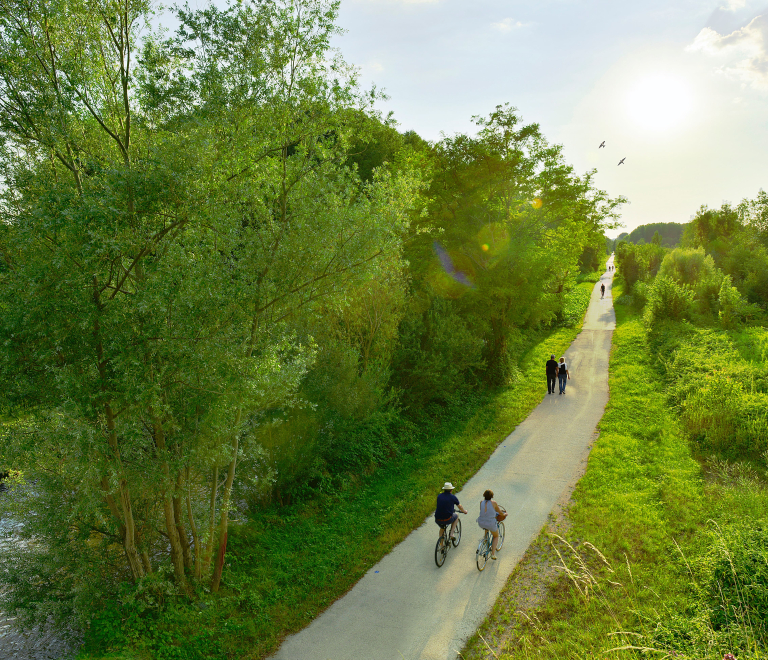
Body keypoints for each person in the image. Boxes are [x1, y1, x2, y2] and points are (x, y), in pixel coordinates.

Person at [476, 489, 505, 560]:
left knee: (486, 526)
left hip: (481, 522)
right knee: (496, 536)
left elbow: (484, 512)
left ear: (484, 495)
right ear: (492, 496)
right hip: (490, 523)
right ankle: (493, 554)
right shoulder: (494, 503)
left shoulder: (481, 502)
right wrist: (504, 514)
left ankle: (485, 539)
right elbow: (500, 512)